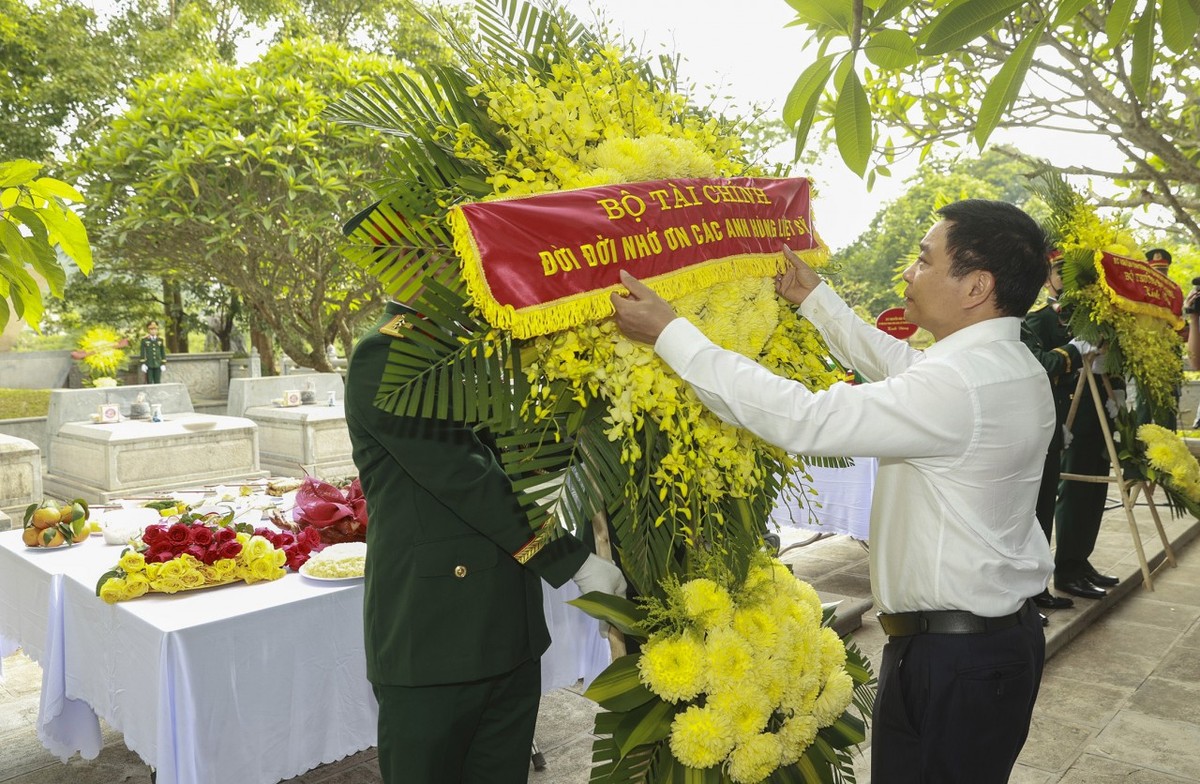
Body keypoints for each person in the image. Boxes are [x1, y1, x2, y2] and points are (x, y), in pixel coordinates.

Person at [610, 199, 1054, 783]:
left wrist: (672, 334)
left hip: (956, 659)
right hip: (973, 647)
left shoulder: (961, 384)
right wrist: (816, 300)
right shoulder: (1003, 363)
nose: (908, 273)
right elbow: (899, 364)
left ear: (977, 286)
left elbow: (803, 418)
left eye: (924, 260)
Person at [345, 300, 627, 784]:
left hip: (509, 627)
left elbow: (533, 464)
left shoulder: (479, 344)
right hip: (436, 635)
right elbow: (469, 479)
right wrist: (573, 561)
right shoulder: (387, 355)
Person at [1021, 255, 1082, 618]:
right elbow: (1040, 365)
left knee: (1043, 511)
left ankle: (1036, 588)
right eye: (1061, 271)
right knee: (1027, 515)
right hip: (1030, 429)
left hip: (1051, 427)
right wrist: (1074, 351)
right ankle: (1023, 597)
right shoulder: (1030, 318)